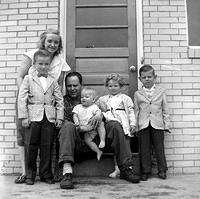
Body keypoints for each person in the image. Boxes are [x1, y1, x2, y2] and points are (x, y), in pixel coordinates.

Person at [58, 72, 140, 189]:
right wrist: (81, 128)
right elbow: (64, 125)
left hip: (98, 143)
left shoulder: (96, 100)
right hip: (77, 145)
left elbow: (103, 114)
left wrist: (100, 115)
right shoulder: (63, 102)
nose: (72, 88)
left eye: (75, 85)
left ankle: (126, 169)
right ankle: (67, 173)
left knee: (114, 125)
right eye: (69, 86)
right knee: (67, 126)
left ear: (81, 85)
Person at [15, 29, 70, 184]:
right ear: (43, 41)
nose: (52, 44)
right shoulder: (30, 69)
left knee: (47, 145)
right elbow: (20, 79)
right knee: (29, 143)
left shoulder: (55, 75)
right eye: (49, 41)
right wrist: (24, 110)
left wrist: (59, 116)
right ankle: (29, 175)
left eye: (56, 42)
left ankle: (46, 175)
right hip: (30, 108)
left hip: (49, 114)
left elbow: (59, 96)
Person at [134, 64, 170, 181]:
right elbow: (136, 110)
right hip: (143, 124)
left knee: (159, 147)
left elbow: (165, 109)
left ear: (155, 77)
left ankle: (162, 170)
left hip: (158, 124)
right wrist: (135, 126)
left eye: (149, 77)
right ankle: (145, 171)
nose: (147, 79)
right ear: (140, 79)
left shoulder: (161, 91)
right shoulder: (138, 93)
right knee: (144, 148)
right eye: (144, 77)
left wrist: (166, 124)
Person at [97, 73, 136, 178]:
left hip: (124, 124)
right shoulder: (103, 99)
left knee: (124, 146)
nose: (113, 88)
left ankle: (128, 168)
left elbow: (131, 112)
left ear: (121, 86)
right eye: (110, 86)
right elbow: (97, 110)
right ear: (106, 87)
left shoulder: (125, 98)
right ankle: (117, 168)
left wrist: (132, 123)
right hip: (111, 122)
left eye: (116, 86)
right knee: (115, 146)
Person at [73, 87, 106, 161]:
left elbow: (98, 112)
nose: (83, 98)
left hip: (93, 126)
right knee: (87, 140)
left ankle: (102, 140)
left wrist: (97, 115)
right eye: (82, 97)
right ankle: (98, 151)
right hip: (84, 128)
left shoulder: (94, 107)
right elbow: (75, 115)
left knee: (101, 124)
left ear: (93, 100)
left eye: (86, 97)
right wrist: (76, 122)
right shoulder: (78, 107)